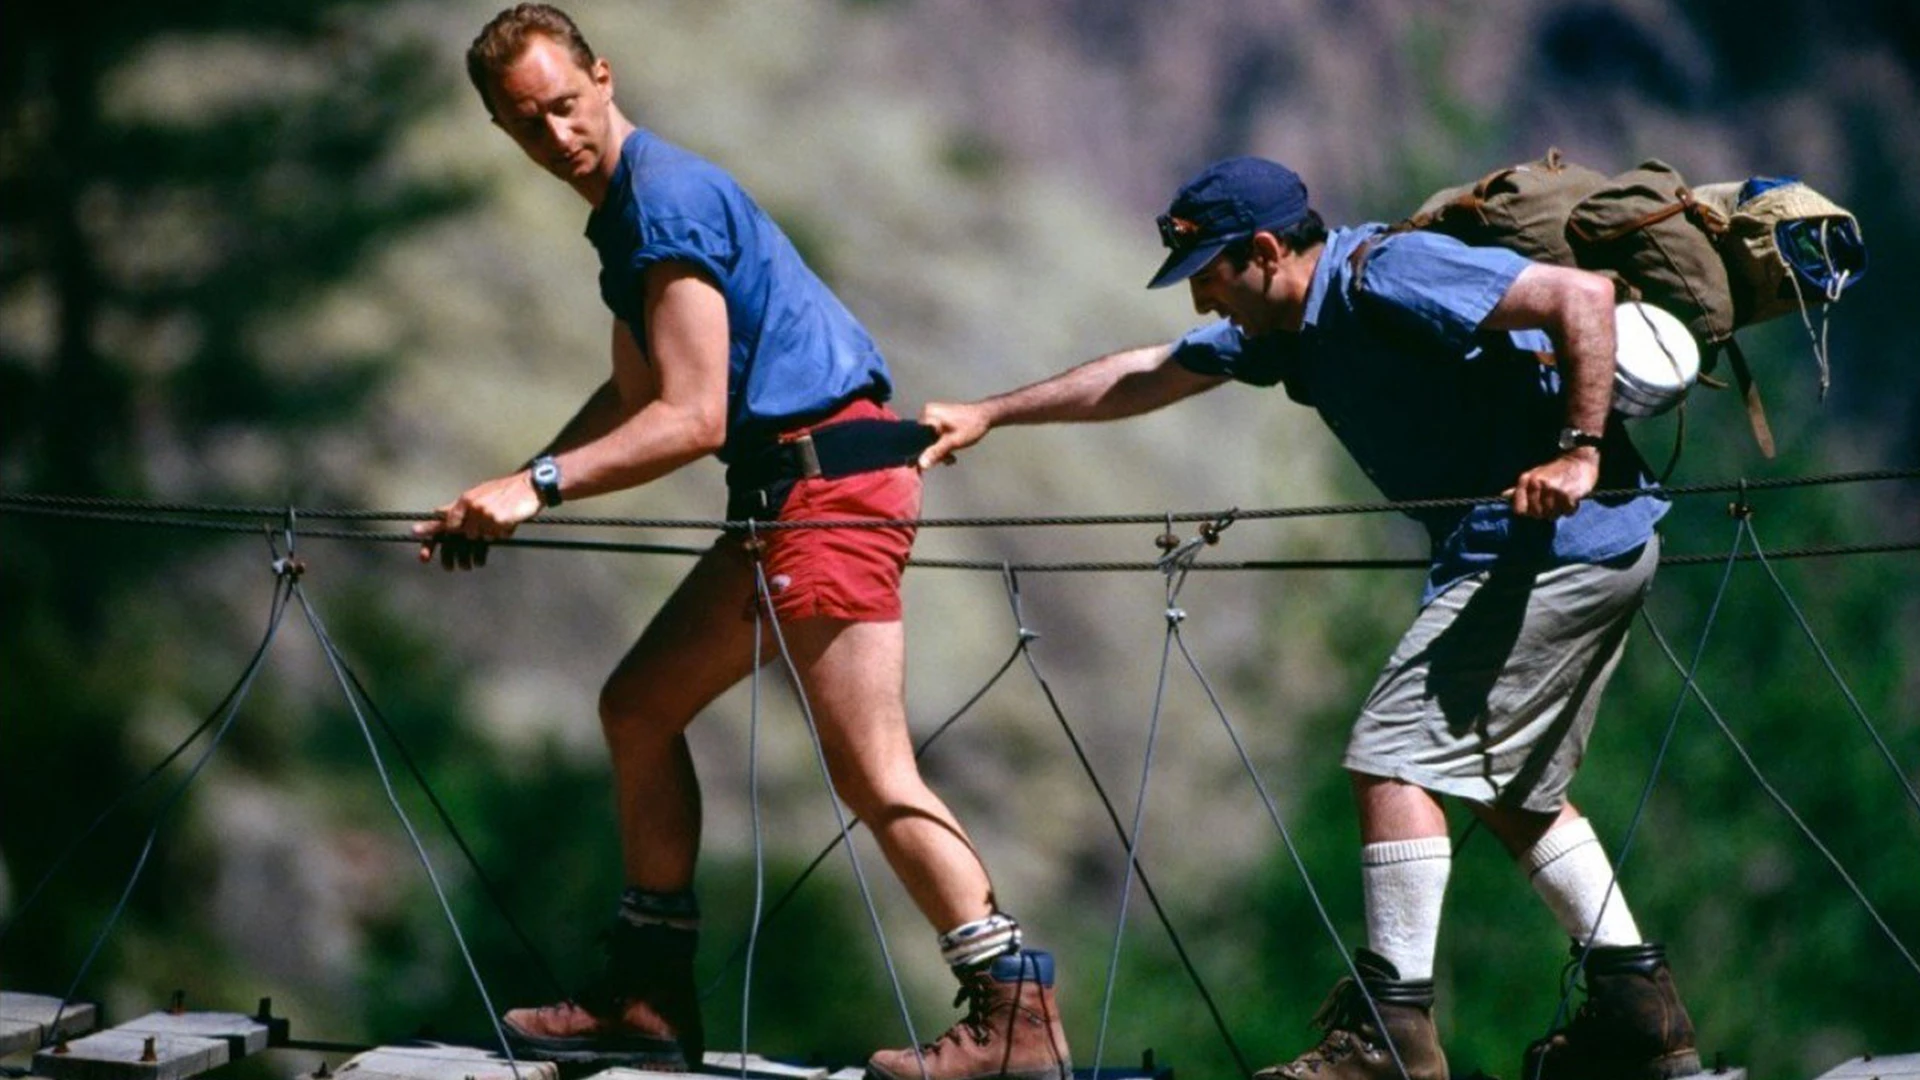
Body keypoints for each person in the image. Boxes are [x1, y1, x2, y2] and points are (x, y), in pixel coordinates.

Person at [915, 157, 1702, 1080]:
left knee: (1391, 755)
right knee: (1507, 786)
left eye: (1210, 276)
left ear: (1261, 251)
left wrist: (1578, 452)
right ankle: (1640, 1014)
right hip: (1564, 550)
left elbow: (1581, 299)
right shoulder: (1292, 329)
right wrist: (989, 415)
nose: (1206, 304)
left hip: (1556, 544)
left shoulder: (1388, 275)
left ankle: (1391, 1039)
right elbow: (1148, 374)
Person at [417, 7, 1071, 1079]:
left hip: (829, 490)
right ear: (503, 128)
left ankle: (1014, 1012)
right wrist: (507, 487)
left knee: (871, 769)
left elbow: (688, 419)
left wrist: (534, 488)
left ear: (604, 78)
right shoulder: (628, 216)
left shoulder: (661, 204)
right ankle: (651, 994)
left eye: (567, 106)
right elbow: (633, 393)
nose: (556, 137)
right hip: (788, 497)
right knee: (638, 706)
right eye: (528, 123)